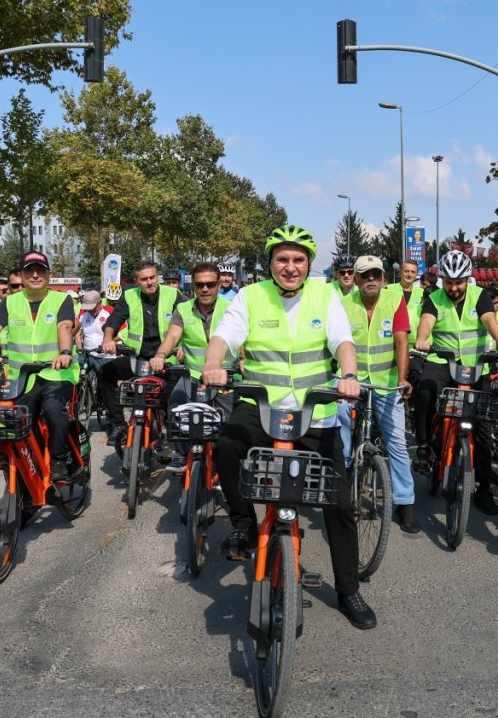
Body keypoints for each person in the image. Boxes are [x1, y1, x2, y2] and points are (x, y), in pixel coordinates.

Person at [201, 224, 376, 630]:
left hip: (314, 411)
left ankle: (349, 591)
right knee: (226, 446)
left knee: (341, 502)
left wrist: (348, 375)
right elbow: (224, 336)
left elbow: (342, 342)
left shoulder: (325, 294)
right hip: (261, 407)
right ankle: (244, 524)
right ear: (270, 263)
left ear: (309, 264)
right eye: (282, 259)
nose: (290, 267)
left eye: (298, 260)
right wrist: (213, 364)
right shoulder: (250, 295)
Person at [0, 252, 82, 481]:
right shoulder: (10, 302)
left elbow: (64, 326)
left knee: (54, 411)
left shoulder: (61, 300)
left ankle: (60, 459)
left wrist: (64, 353)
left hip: (55, 374)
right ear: (21, 276)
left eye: (40, 270)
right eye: (29, 271)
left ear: (49, 275)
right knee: (17, 425)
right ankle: (26, 484)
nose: (35, 275)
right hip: (21, 378)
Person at [413, 250, 498, 515]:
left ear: (468, 279)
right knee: (425, 391)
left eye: (459, 282)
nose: (454, 287)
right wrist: (423, 339)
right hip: (442, 362)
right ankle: (424, 447)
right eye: (449, 282)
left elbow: (489, 321)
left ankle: (484, 490)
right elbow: (426, 323)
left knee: (481, 432)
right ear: (443, 279)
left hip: (475, 364)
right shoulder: (433, 298)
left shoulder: (479, 296)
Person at [337, 255, 418, 533]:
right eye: (364, 275)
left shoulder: (395, 301)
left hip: (385, 382)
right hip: (351, 381)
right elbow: (335, 342)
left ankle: (405, 502)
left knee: (396, 439)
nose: (370, 279)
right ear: (356, 280)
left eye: (375, 274)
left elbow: (401, 342)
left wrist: (403, 379)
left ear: (384, 278)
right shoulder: (343, 305)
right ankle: (345, 473)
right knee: (338, 422)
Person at [149, 262, 235, 471]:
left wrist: (244, 360)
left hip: (227, 378)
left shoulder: (231, 308)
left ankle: (226, 466)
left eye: (210, 284)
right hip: (194, 377)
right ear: (193, 287)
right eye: (200, 285)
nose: (205, 289)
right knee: (176, 405)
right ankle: (182, 453)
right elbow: (172, 336)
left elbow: (241, 341)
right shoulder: (183, 309)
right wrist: (160, 355)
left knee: (231, 425)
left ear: (217, 284)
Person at [99, 260, 185, 451]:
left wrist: (183, 347)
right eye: (144, 279)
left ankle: (173, 437)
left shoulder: (174, 295)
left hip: (167, 360)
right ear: (136, 281)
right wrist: (108, 337)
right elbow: (115, 318)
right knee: (105, 372)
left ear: (158, 276)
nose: (149, 282)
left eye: (152, 277)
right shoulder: (129, 296)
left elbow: (189, 320)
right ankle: (118, 424)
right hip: (137, 359)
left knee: (174, 399)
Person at [76, 289, 116, 370]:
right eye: (88, 308)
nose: (90, 310)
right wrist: (79, 347)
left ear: (100, 302)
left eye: (93, 307)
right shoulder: (83, 313)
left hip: (107, 357)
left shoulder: (111, 312)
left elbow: (124, 333)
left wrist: (108, 342)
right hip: (88, 356)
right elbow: (75, 332)